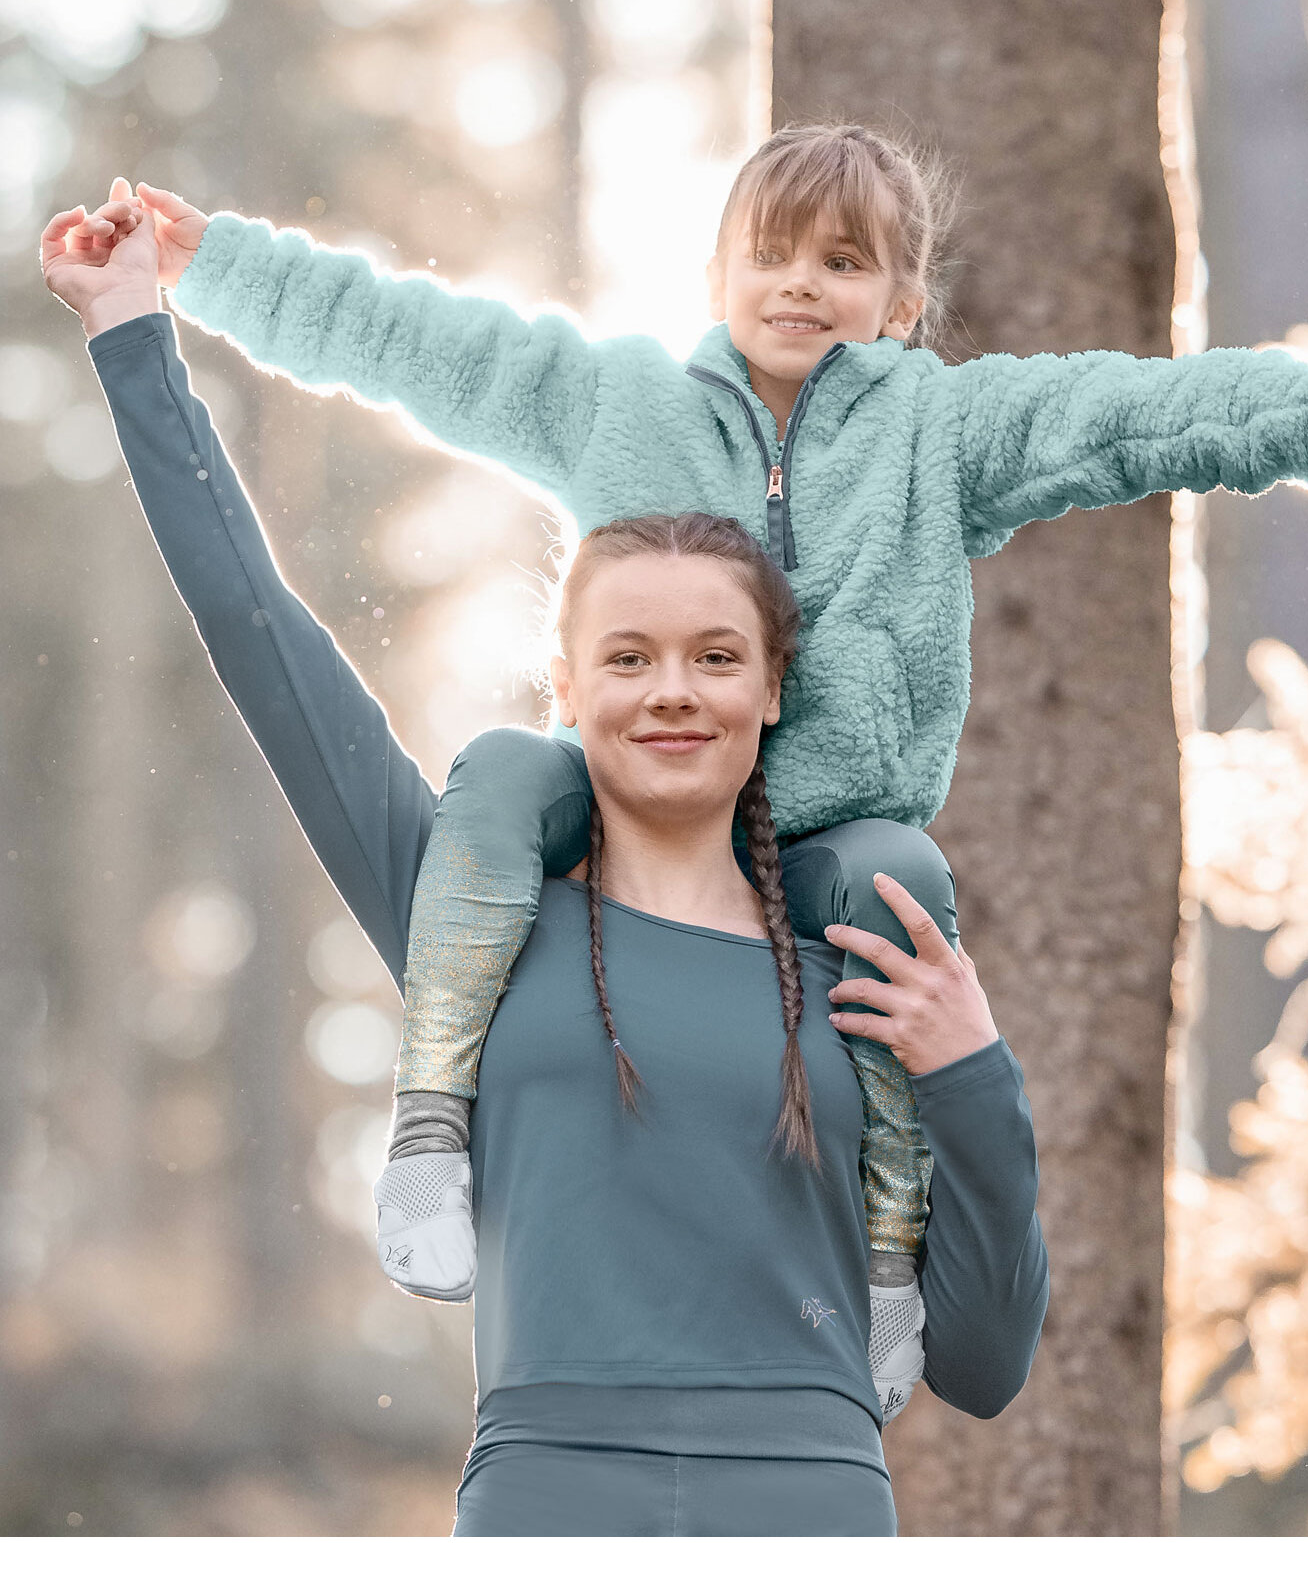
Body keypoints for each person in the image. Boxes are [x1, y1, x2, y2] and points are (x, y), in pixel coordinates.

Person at [71, 130, 1308, 1359]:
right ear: (716, 277)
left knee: (899, 883)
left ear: (898, 302)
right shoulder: (614, 402)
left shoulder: (943, 429)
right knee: (502, 777)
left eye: (840, 264)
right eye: (773, 254)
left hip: (826, 832)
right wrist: (217, 267)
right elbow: (416, 341)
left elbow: (1134, 414)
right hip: (633, 803)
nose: (801, 286)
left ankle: (889, 1254)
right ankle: (434, 1127)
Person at [42, 201, 1049, 1536]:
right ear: (566, 688)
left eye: (714, 657)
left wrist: (972, 1073)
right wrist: (129, 334)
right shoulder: (471, 914)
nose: (671, 695)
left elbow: (981, 1363)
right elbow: (254, 626)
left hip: (808, 1507)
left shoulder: (864, 957)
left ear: (770, 691)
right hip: (546, 1501)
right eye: (627, 659)